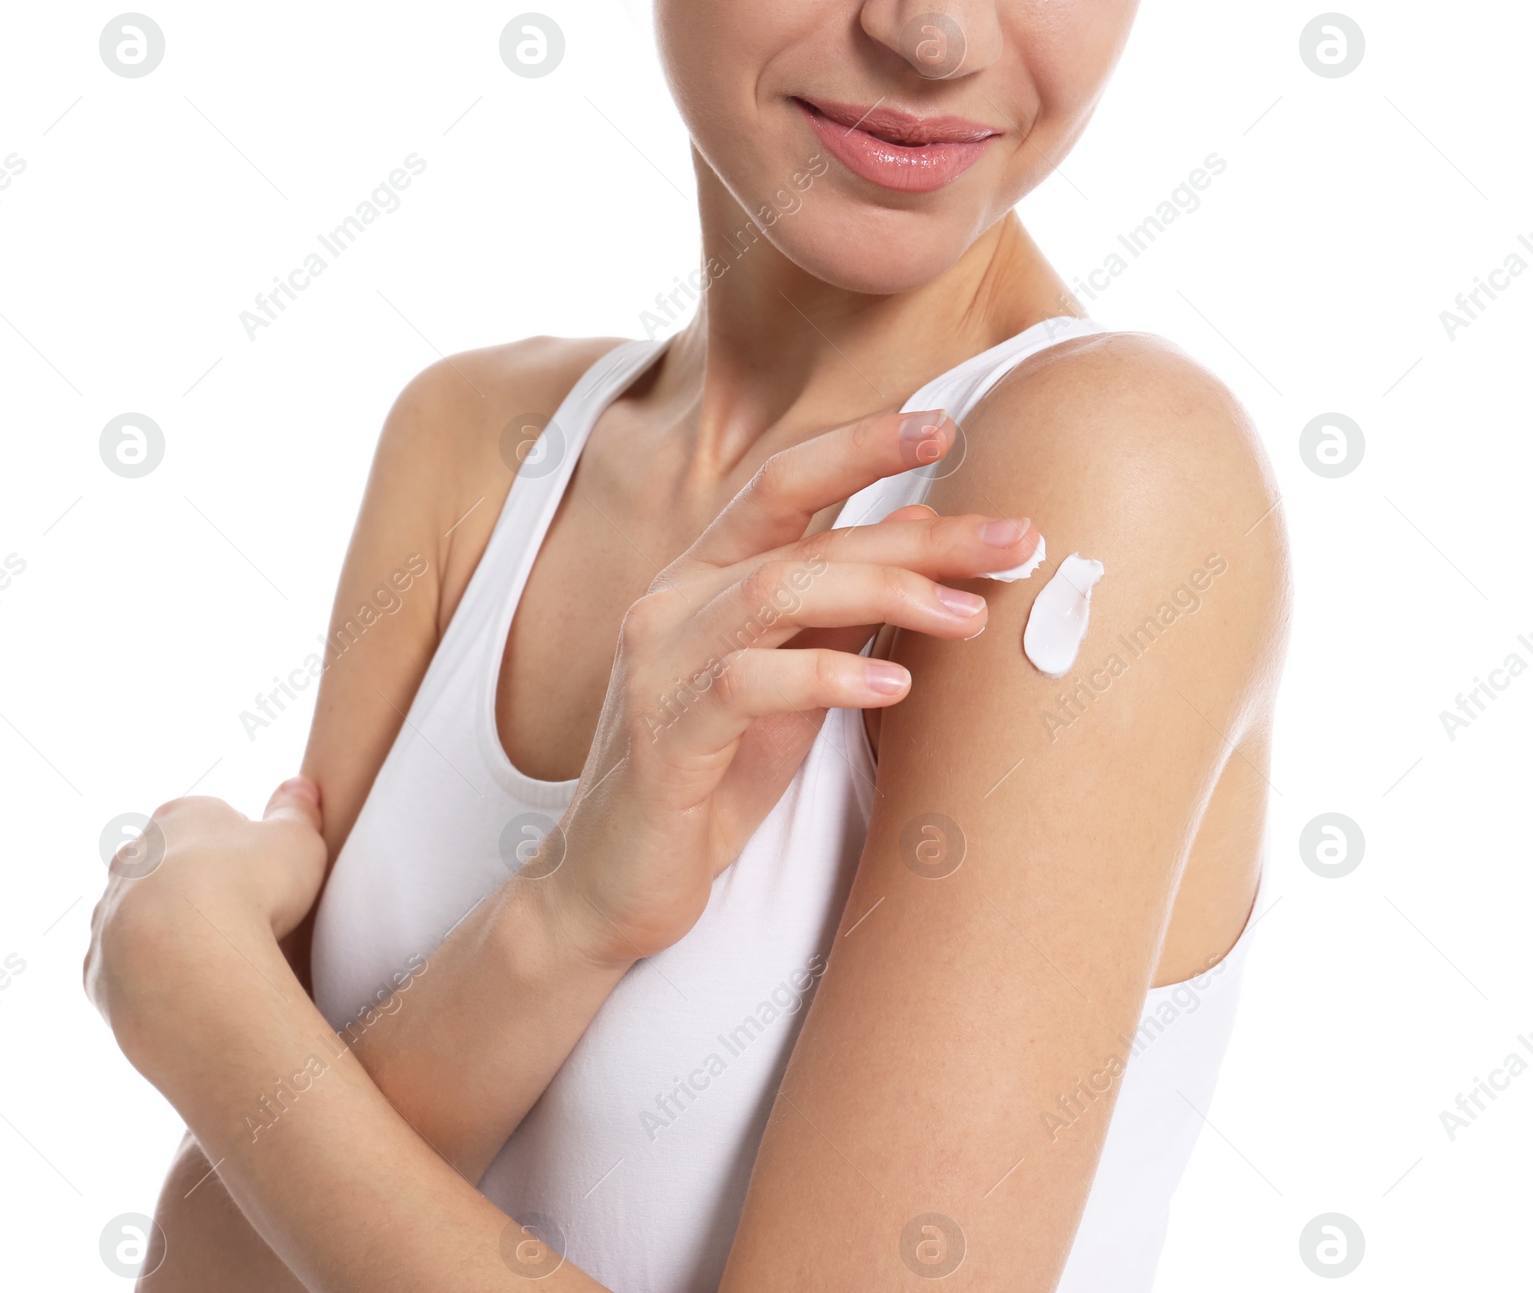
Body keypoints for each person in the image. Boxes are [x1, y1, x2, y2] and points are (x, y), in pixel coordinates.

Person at [86, 1, 1290, 1288]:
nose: (933, 37)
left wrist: (206, 1004)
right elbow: (217, 1273)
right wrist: (563, 921)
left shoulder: (1107, 475)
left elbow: (271, 1181)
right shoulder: (477, 448)